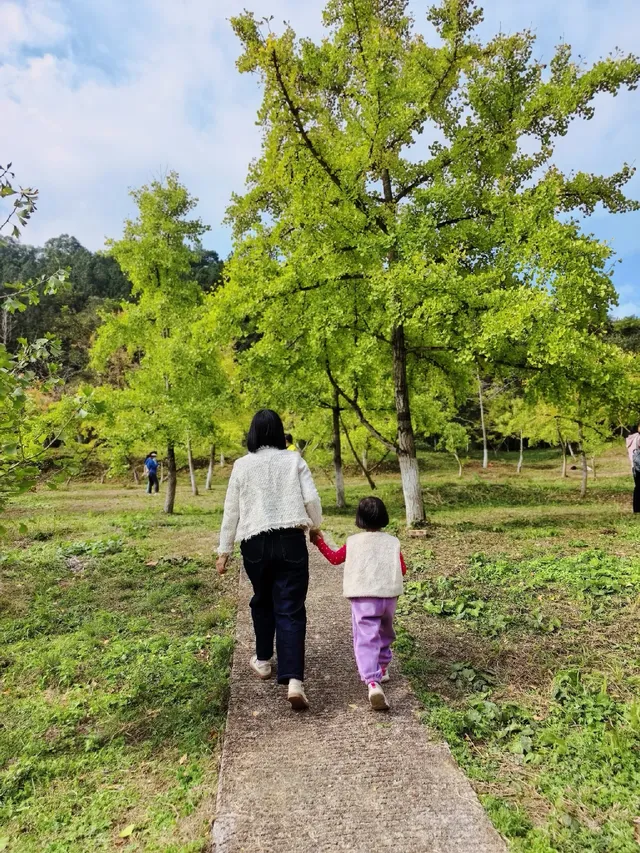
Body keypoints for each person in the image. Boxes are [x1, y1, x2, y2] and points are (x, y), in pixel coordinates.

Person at [216, 410, 322, 711]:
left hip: (255, 544)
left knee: (262, 600)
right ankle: (294, 682)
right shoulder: (294, 460)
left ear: (252, 434)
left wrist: (223, 550)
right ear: (279, 432)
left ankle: (263, 661)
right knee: (290, 608)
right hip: (290, 540)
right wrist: (315, 525)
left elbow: (231, 510)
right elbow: (312, 500)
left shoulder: (241, 466)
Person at [311, 496, 406, 711]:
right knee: (385, 632)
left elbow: (335, 558)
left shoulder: (354, 542)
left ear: (359, 519)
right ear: (384, 517)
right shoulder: (392, 542)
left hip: (363, 597)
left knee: (365, 638)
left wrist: (319, 542)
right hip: (389, 596)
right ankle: (383, 667)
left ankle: (373, 682)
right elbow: (402, 568)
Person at [626, 425, 640, 513]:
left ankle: (637, 509)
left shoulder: (631, 439)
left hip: (635, 466)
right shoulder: (639, 438)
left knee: (638, 487)